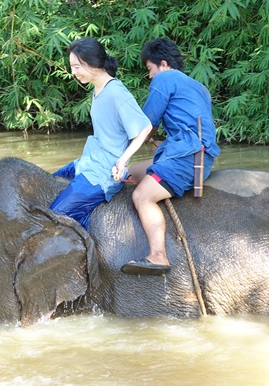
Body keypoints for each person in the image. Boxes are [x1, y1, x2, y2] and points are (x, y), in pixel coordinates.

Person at [121, 38, 220, 276]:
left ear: (162, 64)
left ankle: (158, 255)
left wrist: (122, 151)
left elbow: (147, 125)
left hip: (187, 158)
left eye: (150, 69)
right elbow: (193, 127)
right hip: (197, 155)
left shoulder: (165, 79)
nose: (150, 76)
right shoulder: (198, 87)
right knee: (130, 173)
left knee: (142, 195)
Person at [49, 38, 152, 230]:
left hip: (102, 174)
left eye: (77, 66)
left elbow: (144, 128)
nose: (73, 72)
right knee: (45, 182)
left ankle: (86, 242)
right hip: (87, 163)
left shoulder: (116, 93)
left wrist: (123, 160)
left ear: (93, 63)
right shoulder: (98, 89)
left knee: (54, 215)